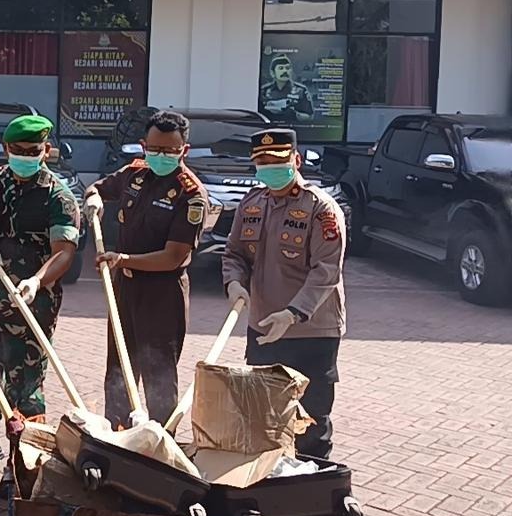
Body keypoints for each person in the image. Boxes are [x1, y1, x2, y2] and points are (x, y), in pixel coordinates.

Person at [0, 114, 81, 495]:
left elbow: (64, 252)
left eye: (33, 150)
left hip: (32, 305)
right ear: (6, 149)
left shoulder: (57, 195)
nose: (25, 156)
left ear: (46, 151)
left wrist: (38, 279)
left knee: (25, 384)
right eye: (18, 150)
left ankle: (22, 460)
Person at [222, 128, 346, 460]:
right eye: (262, 163)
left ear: (297, 160)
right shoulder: (252, 203)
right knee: (262, 415)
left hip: (311, 331)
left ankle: (313, 482)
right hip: (264, 327)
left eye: (277, 161)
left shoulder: (321, 209)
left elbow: (326, 270)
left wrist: (292, 313)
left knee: (311, 423)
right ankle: (268, 480)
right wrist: (234, 283)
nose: (270, 169)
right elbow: (234, 253)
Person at [83, 110, 208, 427]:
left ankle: (160, 443)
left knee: (158, 377)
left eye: (169, 150)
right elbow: (97, 188)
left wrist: (123, 260)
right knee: (119, 371)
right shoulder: (134, 174)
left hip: (161, 295)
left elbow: (173, 256)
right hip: (124, 289)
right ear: (143, 146)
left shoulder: (191, 194)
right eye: (154, 149)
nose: (161, 156)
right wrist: (93, 198)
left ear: (184, 150)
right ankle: (117, 438)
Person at [260, 55, 314, 122]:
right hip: (269, 127)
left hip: (293, 126)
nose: (285, 71)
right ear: (272, 73)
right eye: (281, 68)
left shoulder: (301, 90)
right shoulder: (264, 91)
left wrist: (294, 114)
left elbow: (310, 117)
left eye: (287, 68)